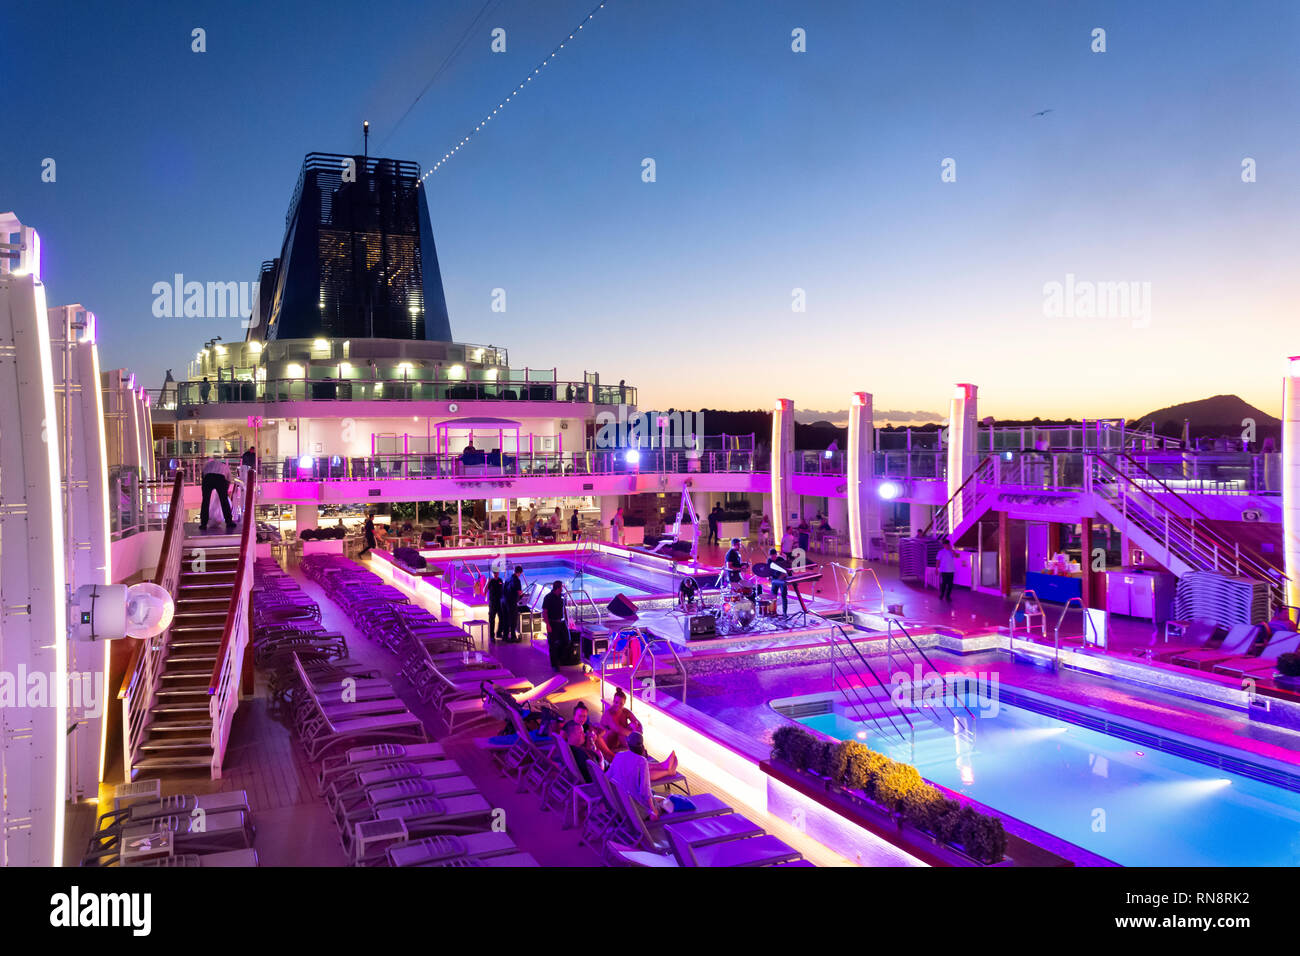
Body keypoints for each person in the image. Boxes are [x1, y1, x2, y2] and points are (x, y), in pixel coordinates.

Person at [606, 732, 689, 819]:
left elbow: (608, 776)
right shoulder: (641, 761)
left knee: (659, 797)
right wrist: (653, 810)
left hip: (620, 802)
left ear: (627, 744)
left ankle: (666, 768)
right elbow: (644, 790)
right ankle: (667, 770)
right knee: (667, 804)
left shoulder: (619, 756)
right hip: (636, 809)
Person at [199, 456, 235, 532]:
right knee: (224, 501)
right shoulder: (225, 466)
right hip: (220, 478)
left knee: (205, 501)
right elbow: (228, 480)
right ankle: (229, 522)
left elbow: (203, 475)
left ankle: (203, 524)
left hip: (208, 478)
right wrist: (224, 492)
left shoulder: (208, 464)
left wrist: (205, 488)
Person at [541, 580, 570, 669]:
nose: (562, 589)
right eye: (561, 587)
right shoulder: (548, 597)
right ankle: (555, 664)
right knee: (552, 644)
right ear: (558, 588)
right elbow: (545, 612)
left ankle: (560, 658)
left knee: (566, 641)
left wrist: (567, 620)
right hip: (553, 622)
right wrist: (548, 624)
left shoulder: (562, 597)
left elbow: (564, 609)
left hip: (562, 622)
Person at [502, 566, 525, 642]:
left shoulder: (507, 579)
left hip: (504, 602)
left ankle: (505, 636)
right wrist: (522, 595)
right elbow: (519, 592)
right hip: (511, 602)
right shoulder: (517, 580)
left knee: (506, 619)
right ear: (519, 573)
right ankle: (513, 637)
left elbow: (504, 590)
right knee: (513, 620)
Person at [767, 547, 791, 615]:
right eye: (771, 556)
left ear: (776, 555)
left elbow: (786, 569)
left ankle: (784, 613)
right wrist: (768, 576)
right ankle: (773, 612)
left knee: (784, 596)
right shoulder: (769, 560)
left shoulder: (781, 559)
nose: (773, 558)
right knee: (773, 597)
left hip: (782, 580)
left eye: (774, 556)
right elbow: (768, 570)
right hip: (775, 580)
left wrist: (782, 576)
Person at [487, 569, 505, 641]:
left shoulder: (500, 580)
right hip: (492, 603)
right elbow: (484, 590)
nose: (496, 574)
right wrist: (487, 582)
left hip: (499, 602)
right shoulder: (490, 581)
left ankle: (499, 633)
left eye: (497, 573)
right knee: (492, 619)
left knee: (502, 618)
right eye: (494, 573)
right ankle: (492, 635)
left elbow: (502, 590)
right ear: (492, 574)